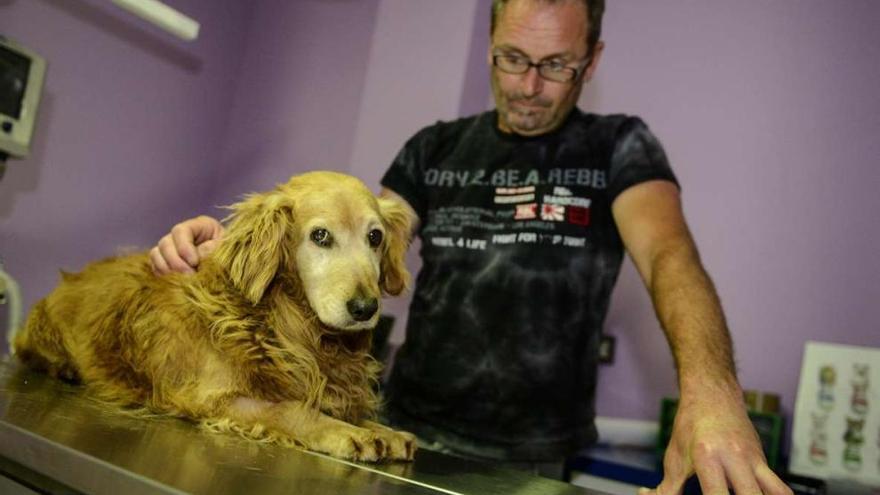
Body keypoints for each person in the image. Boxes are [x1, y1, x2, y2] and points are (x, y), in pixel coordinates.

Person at [151, 1, 792, 493]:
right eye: (510, 58)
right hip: (406, 426)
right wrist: (230, 245)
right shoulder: (435, 148)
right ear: (489, 46)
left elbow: (669, 257)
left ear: (591, 61)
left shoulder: (618, 147)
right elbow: (356, 234)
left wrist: (712, 392)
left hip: (532, 454)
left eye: (555, 66)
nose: (527, 86)